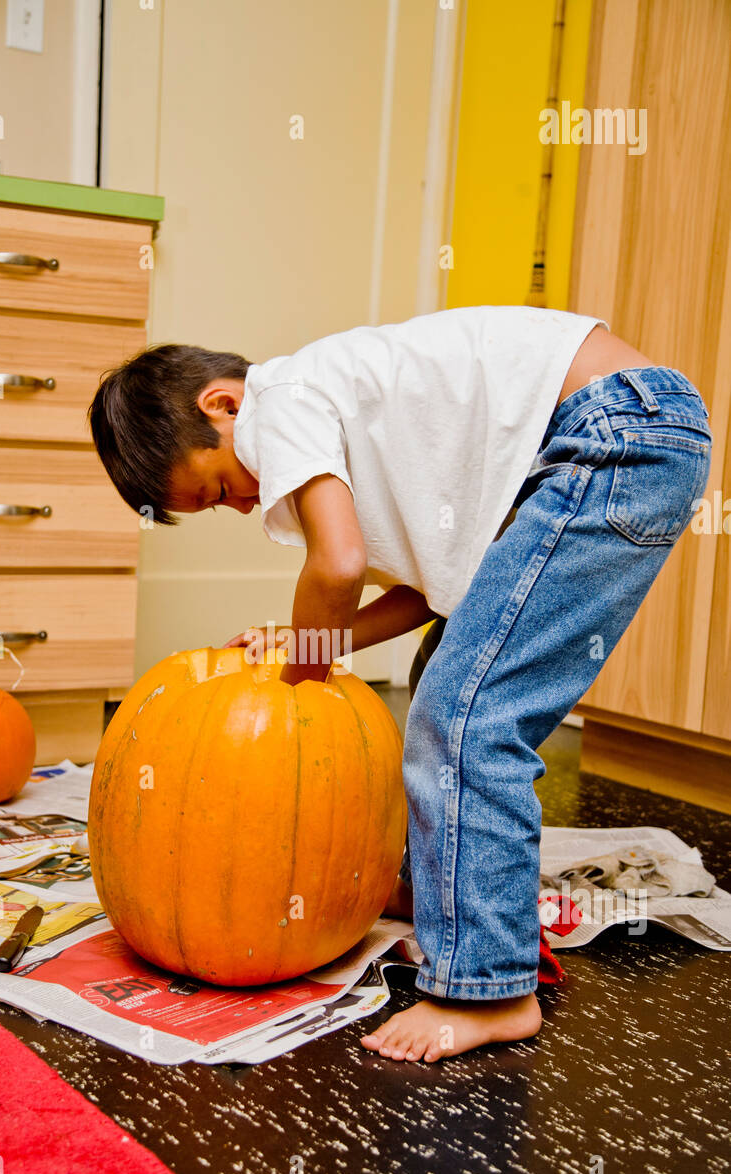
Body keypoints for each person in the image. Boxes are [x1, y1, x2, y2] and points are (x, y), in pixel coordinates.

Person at [88, 307, 712, 1062]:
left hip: (614, 436)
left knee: (467, 718)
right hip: (617, 435)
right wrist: (312, 636)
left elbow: (338, 565)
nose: (244, 504)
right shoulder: (354, 423)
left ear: (222, 406)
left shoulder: (282, 397)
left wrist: (302, 672)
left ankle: (492, 990)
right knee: (444, 671)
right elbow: (433, 593)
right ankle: (429, 895)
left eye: (218, 489)